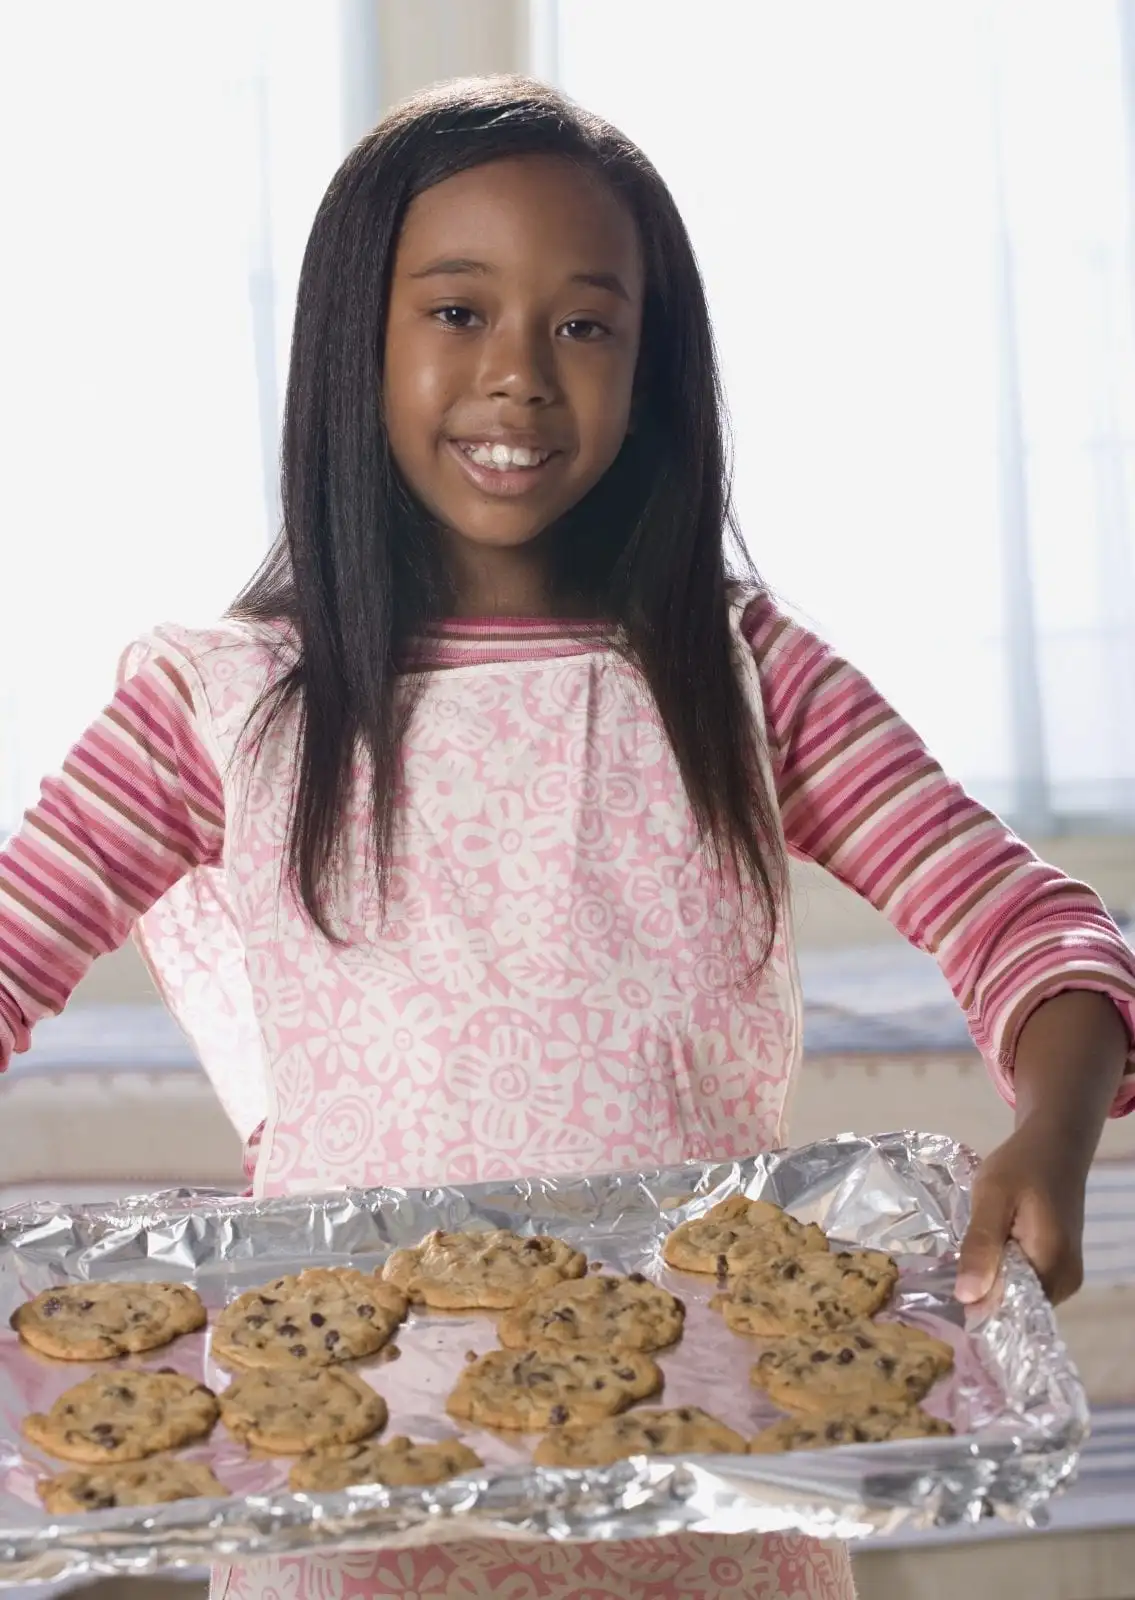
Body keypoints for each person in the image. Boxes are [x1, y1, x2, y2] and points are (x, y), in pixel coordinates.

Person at [1, 74, 1132, 1600]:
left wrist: (1053, 1129)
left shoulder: (741, 680)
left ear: (650, 368)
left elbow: (1028, 924)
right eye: (457, 312)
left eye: (585, 324)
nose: (520, 376)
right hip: (349, 1527)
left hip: (715, 1505)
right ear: (354, 342)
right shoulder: (227, 707)